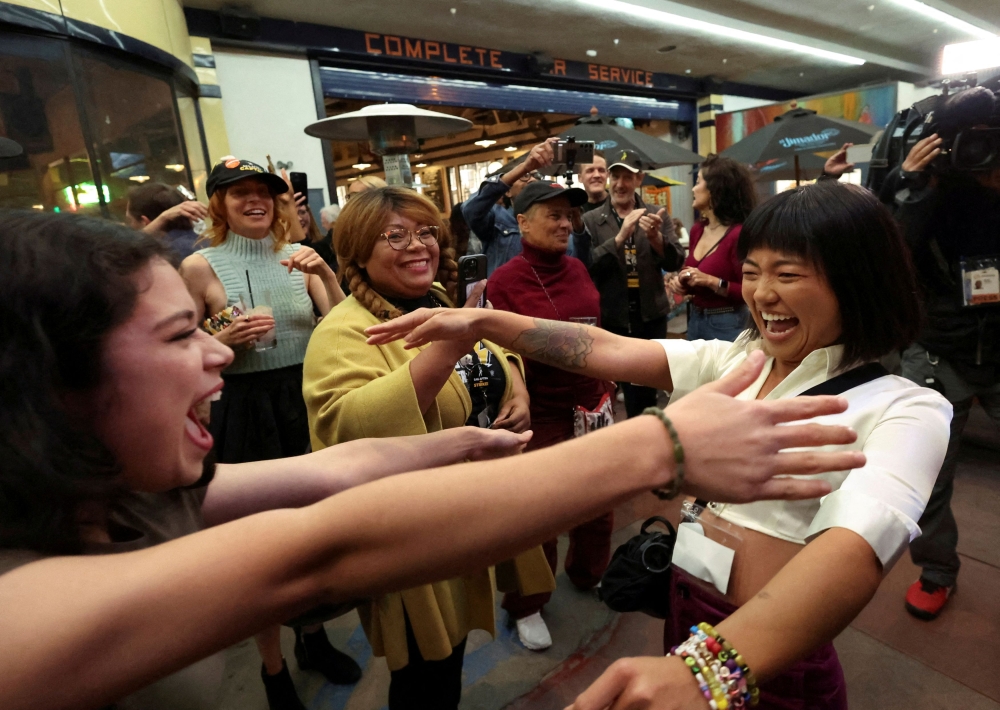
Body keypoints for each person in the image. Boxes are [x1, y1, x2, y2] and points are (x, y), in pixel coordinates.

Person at [0, 209, 873, 710]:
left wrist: (470, 410)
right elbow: (320, 546)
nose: (221, 354)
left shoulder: (903, 404)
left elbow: (336, 471)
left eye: (788, 273)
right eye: (184, 334)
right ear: (57, 382)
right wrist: (661, 446)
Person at [366, 180, 953, 710]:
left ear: (858, 280)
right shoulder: (740, 361)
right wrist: (486, 324)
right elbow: (605, 349)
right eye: (751, 272)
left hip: (764, 656)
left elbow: (853, 555)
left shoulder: (908, 408)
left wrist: (708, 672)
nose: (762, 294)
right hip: (685, 620)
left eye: (789, 274)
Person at [302, 186, 547, 710]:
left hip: (465, 511)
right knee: (424, 671)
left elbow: (495, 352)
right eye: (395, 235)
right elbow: (348, 426)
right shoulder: (343, 331)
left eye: (426, 232)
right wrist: (451, 344)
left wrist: (518, 387)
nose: (418, 246)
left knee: (450, 654)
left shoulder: (437, 303)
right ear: (358, 254)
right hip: (410, 533)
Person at [178, 158, 347, 709]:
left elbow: (346, 330)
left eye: (265, 193)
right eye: (240, 193)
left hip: (305, 399)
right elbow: (186, 351)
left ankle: (313, 639)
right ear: (218, 205)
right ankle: (273, 669)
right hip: (246, 409)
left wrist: (324, 273)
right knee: (261, 545)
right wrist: (226, 335)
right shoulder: (199, 265)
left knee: (311, 531)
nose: (255, 201)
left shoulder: (298, 258)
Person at [886, 87, 1000, 622]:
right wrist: (913, 183)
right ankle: (936, 571)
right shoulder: (925, 186)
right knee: (929, 474)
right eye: (978, 146)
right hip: (937, 351)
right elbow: (891, 253)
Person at [487, 180, 614, 652]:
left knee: (598, 503)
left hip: (591, 405)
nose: (565, 224)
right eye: (553, 215)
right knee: (538, 516)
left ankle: (589, 572)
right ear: (521, 222)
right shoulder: (505, 282)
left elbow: (597, 335)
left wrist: (606, 385)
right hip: (539, 414)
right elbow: (501, 357)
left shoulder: (579, 269)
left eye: (569, 216)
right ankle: (528, 603)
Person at [578, 149, 685, 417]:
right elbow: (585, 266)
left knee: (647, 390)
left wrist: (656, 240)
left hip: (651, 317)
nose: (620, 184)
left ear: (639, 179)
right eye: (615, 176)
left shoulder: (656, 215)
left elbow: (675, 262)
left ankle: (649, 442)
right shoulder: (591, 220)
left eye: (628, 177)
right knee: (610, 388)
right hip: (612, 318)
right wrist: (619, 237)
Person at [669, 154, 757, 342]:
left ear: (715, 190)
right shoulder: (697, 230)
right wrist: (682, 283)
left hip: (728, 322)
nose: (693, 188)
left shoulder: (738, 234)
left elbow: (750, 289)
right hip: (694, 319)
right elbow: (692, 272)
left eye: (698, 182)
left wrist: (712, 281)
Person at [463, 139, 553, 275]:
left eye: (537, 176)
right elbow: (470, 209)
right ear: (508, 191)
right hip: (503, 294)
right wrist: (523, 167)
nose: (533, 180)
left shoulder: (553, 220)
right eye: (525, 176)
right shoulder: (497, 219)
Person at [125, 182, 207, 260]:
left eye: (130, 220)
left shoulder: (159, 257)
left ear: (144, 221)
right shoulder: (207, 242)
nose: (129, 226)